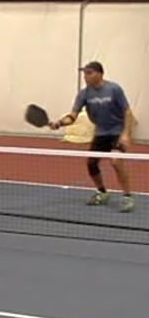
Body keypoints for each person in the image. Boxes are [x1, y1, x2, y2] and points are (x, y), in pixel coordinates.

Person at [50, 61, 135, 212]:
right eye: (84, 73)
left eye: (89, 73)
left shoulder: (114, 89)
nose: (85, 76)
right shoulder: (84, 94)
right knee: (91, 163)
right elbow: (73, 116)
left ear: (100, 74)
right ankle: (102, 192)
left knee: (116, 162)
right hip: (101, 132)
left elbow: (127, 112)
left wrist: (126, 134)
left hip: (117, 131)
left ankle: (128, 196)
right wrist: (60, 123)